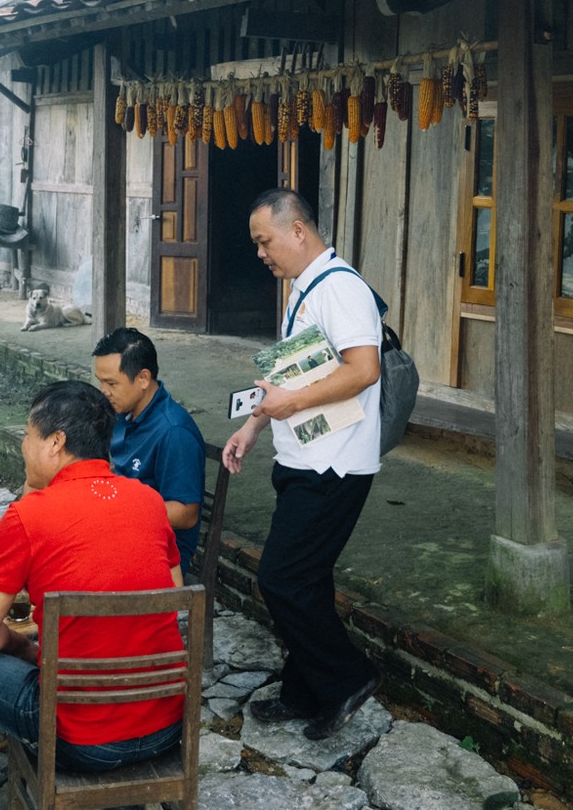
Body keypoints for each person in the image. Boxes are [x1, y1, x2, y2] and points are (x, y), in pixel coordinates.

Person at [0, 381, 186, 810]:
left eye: (28, 436)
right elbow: (173, 597)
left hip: (79, 741)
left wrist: (24, 647)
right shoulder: (148, 501)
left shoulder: (28, 516)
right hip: (165, 727)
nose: (24, 446)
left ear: (55, 442)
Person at [221, 187, 383, 741]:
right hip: (304, 456)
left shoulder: (340, 288)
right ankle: (302, 690)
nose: (260, 253)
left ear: (297, 231)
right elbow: (291, 376)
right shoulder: (303, 289)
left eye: (265, 241)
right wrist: (253, 425)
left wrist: (289, 404)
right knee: (304, 579)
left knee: (281, 578)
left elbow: (365, 369)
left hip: (335, 465)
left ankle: (347, 678)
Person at [93, 326, 208, 568]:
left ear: (143, 379)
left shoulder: (173, 432)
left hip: (160, 552)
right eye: (101, 382)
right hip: (123, 532)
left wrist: (120, 512)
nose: (104, 392)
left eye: (111, 383)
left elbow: (186, 514)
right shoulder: (125, 412)